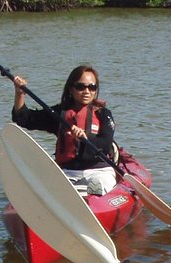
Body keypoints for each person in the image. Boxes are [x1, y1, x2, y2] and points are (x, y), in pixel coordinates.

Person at [11, 64, 118, 196]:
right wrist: (19, 93)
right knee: (50, 191)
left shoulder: (104, 114)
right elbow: (24, 119)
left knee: (100, 184)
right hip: (68, 172)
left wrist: (84, 137)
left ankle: (94, 198)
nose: (86, 91)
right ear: (71, 89)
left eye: (92, 87)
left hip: (99, 171)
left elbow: (106, 144)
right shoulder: (59, 114)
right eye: (80, 87)